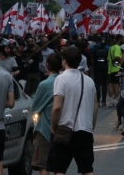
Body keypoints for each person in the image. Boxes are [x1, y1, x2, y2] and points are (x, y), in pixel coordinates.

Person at [46, 46, 97, 175]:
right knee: (87, 169)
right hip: (85, 130)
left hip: (64, 130)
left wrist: (53, 126)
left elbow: (57, 107)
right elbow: (95, 107)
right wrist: (91, 126)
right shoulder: (89, 81)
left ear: (64, 60)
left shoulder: (61, 79)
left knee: (59, 170)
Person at [31, 53, 62, 175]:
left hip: (45, 129)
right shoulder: (64, 82)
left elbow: (35, 107)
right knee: (58, 166)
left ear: (47, 65)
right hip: (62, 128)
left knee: (43, 165)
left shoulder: (44, 84)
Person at [91, 38, 109, 107]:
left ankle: (98, 100)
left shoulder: (95, 48)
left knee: (97, 85)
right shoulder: (107, 47)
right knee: (104, 85)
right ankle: (103, 101)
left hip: (97, 68)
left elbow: (91, 50)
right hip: (104, 69)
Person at [107, 35, 122, 106]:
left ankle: (111, 99)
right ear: (119, 39)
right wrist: (121, 60)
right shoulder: (118, 47)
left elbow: (108, 59)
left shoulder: (111, 48)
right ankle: (116, 100)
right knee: (116, 85)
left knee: (110, 84)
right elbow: (116, 56)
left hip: (110, 69)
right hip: (117, 69)